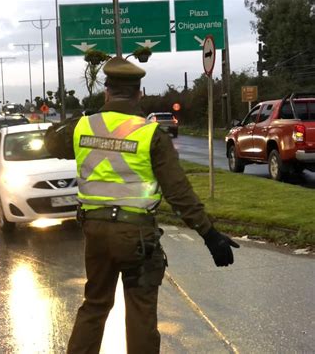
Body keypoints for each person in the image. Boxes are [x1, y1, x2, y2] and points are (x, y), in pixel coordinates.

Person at [44, 57, 239, 354]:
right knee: (140, 312)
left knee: (94, 306)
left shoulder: (83, 127)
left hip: (95, 233)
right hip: (136, 237)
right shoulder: (150, 134)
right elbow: (178, 192)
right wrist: (209, 234)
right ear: (139, 94)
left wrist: (88, 117)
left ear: (107, 92)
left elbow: (50, 143)